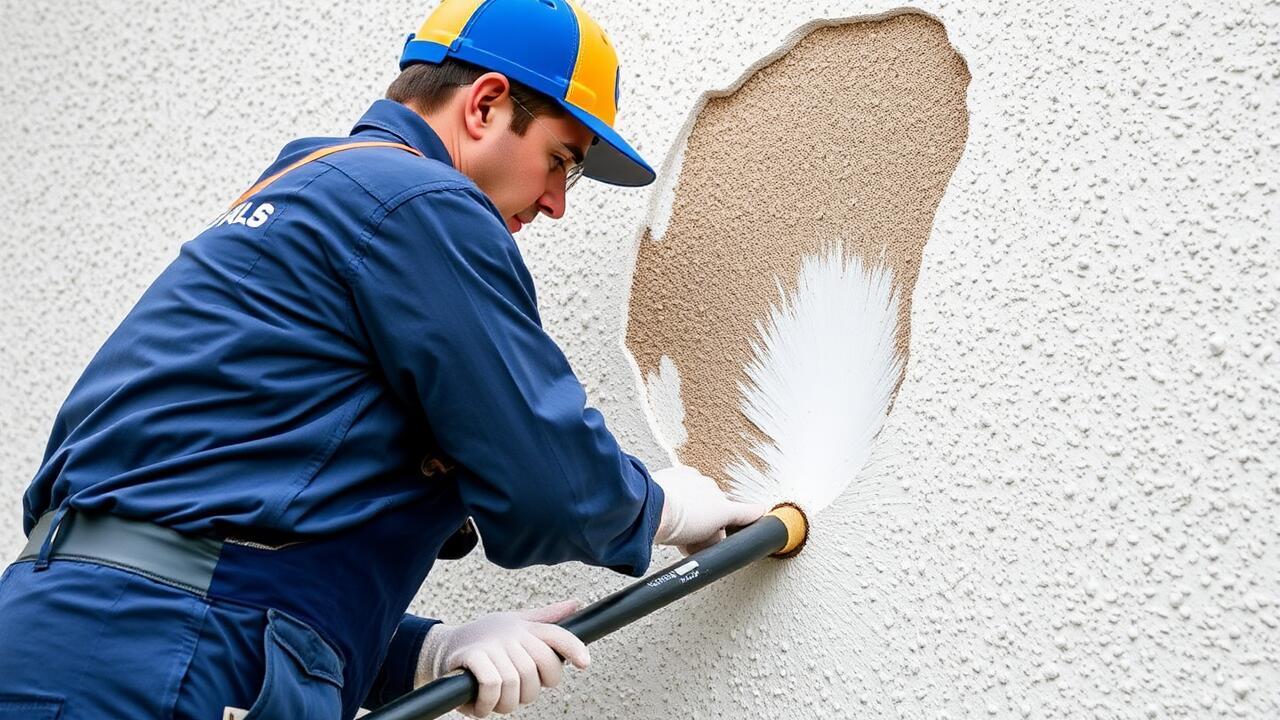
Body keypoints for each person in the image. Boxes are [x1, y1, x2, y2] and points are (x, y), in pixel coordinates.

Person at [0, 1, 768, 718]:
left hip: (68, 636)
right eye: (560, 161)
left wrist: (421, 653)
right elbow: (550, 482)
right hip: (158, 655)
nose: (556, 203)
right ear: (486, 104)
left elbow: (218, 528)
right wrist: (662, 508)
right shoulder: (418, 202)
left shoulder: (313, 187)